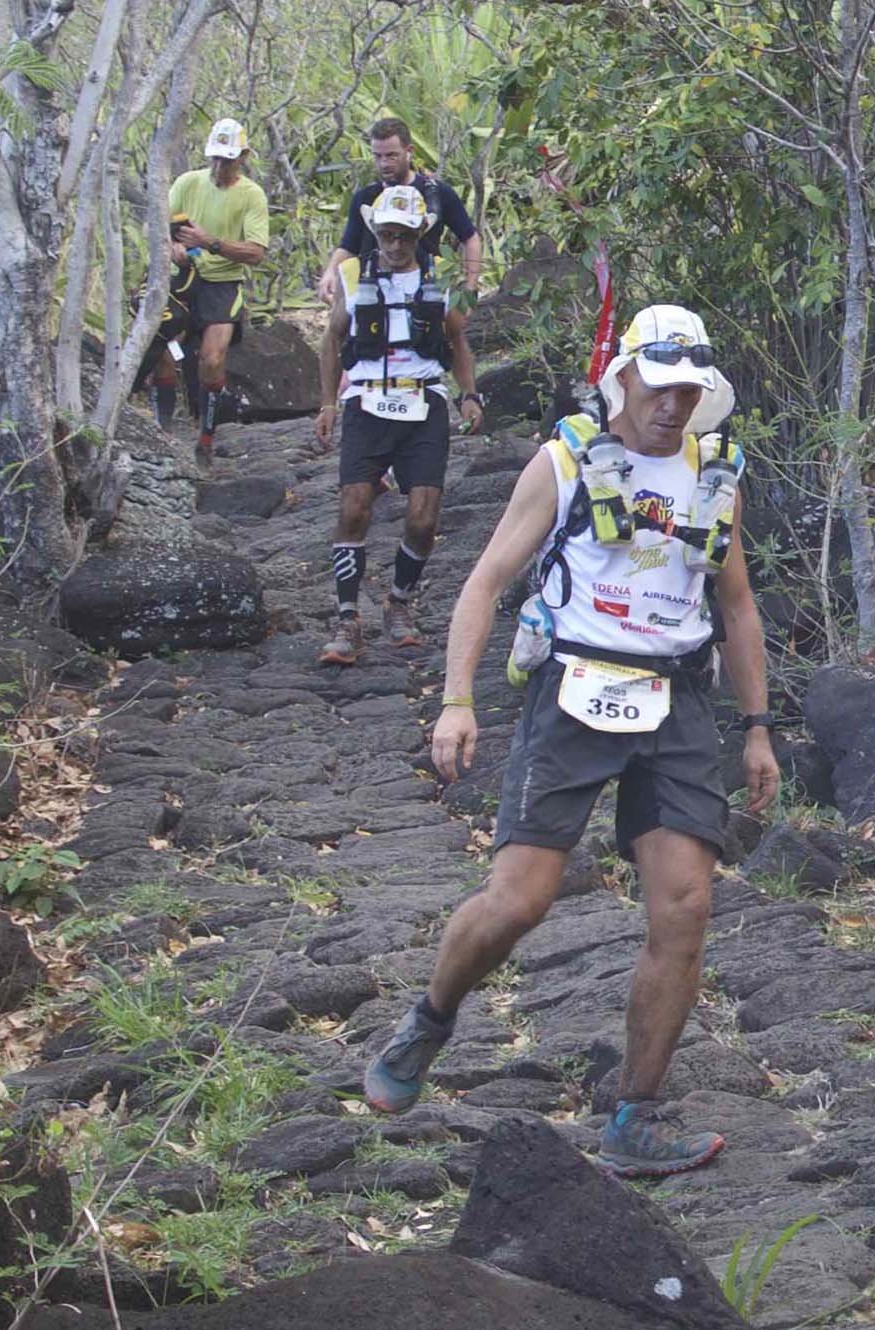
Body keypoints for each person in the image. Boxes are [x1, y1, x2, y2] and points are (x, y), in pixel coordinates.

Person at [360, 304, 779, 1180]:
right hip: (575, 689)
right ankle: (431, 1017)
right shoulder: (564, 462)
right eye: (658, 387)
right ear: (623, 378)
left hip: (675, 699)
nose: (671, 406)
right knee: (519, 901)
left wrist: (758, 728)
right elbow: (485, 582)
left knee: (685, 907)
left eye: (688, 391)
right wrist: (455, 700)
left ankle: (634, 1111)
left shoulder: (717, 477)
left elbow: (737, 607)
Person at [312, 184, 484, 664]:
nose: (394, 244)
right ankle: (346, 617)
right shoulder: (351, 277)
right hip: (367, 402)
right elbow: (330, 341)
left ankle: (400, 602)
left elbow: (458, 342)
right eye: (386, 235)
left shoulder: (439, 280)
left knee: (424, 515)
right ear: (375, 233)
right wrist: (328, 404)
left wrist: (468, 395)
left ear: (419, 235)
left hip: (423, 401)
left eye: (404, 236)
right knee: (353, 506)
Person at [153, 117, 269, 457]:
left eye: (228, 159)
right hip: (184, 278)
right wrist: (174, 249)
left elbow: (256, 252)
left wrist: (211, 243)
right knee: (161, 345)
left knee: (212, 357)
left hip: (222, 283)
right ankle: (164, 427)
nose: (219, 166)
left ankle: (206, 434)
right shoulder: (187, 183)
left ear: (243, 157)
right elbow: (160, 225)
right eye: (215, 158)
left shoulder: (251, 195)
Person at [316, 116, 484, 308]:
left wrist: (470, 288)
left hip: (426, 291)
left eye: (391, 155)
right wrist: (330, 272)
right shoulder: (365, 198)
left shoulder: (437, 193)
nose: (384, 164)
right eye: (378, 156)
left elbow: (470, 238)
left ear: (409, 152)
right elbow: (349, 245)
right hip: (374, 291)